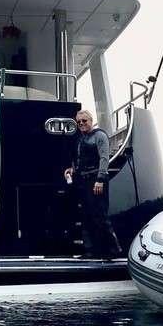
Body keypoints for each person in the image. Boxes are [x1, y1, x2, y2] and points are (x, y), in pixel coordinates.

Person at [65, 109, 120, 258]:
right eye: (79, 122)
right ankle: (91, 251)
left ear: (91, 120)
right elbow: (78, 159)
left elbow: (104, 158)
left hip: (96, 180)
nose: (82, 124)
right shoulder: (80, 139)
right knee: (86, 217)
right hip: (82, 181)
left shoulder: (100, 135)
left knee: (100, 216)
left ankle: (112, 251)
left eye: (84, 121)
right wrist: (72, 169)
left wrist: (100, 180)